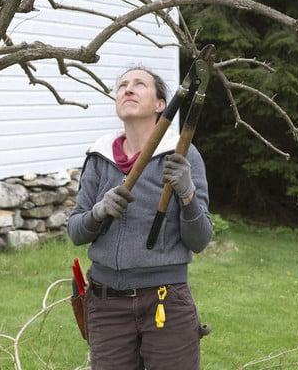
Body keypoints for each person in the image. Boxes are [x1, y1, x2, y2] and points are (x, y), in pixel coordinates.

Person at [67, 66, 213, 370]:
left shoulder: (182, 154)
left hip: (165, 302)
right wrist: (98, 211)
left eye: (139, 84)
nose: (127, 89)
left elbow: (199, 240)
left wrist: (186, 193)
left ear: (161, 104)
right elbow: (76, 232)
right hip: (106, 304)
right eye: (122, 85)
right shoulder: (99, 156)